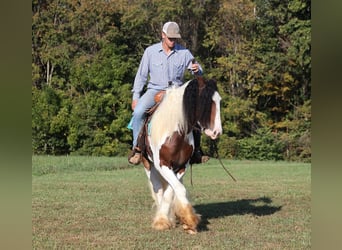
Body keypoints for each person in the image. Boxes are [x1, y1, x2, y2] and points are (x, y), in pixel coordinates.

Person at [128, 21, 209, 165]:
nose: (173, 41)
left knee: (194, 113)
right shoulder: (150, 52)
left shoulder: (184, 53)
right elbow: (141, 76)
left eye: (175, 38)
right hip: (154, 90)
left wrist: (198, 70)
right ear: (163, 35)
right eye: (170, 38)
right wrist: (136, 97)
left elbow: (197, 70)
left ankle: (196, 150)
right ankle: (138, 149)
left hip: (176, 93)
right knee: (138, 112)